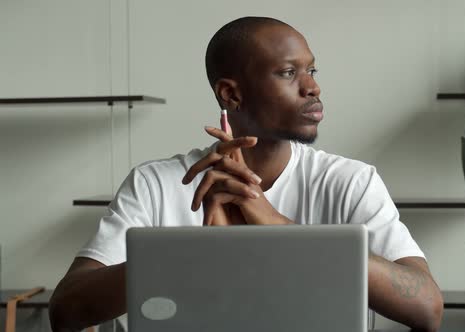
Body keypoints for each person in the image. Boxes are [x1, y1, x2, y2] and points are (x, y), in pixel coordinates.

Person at [49, 16, 443, 332]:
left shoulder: (350, 182)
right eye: (289, 73)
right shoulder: (155, 184)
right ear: (230, 94)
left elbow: (427, 309)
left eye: (312, 70)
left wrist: (275, 225)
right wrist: (202, 255)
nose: (313, 87)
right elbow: (66, 311)